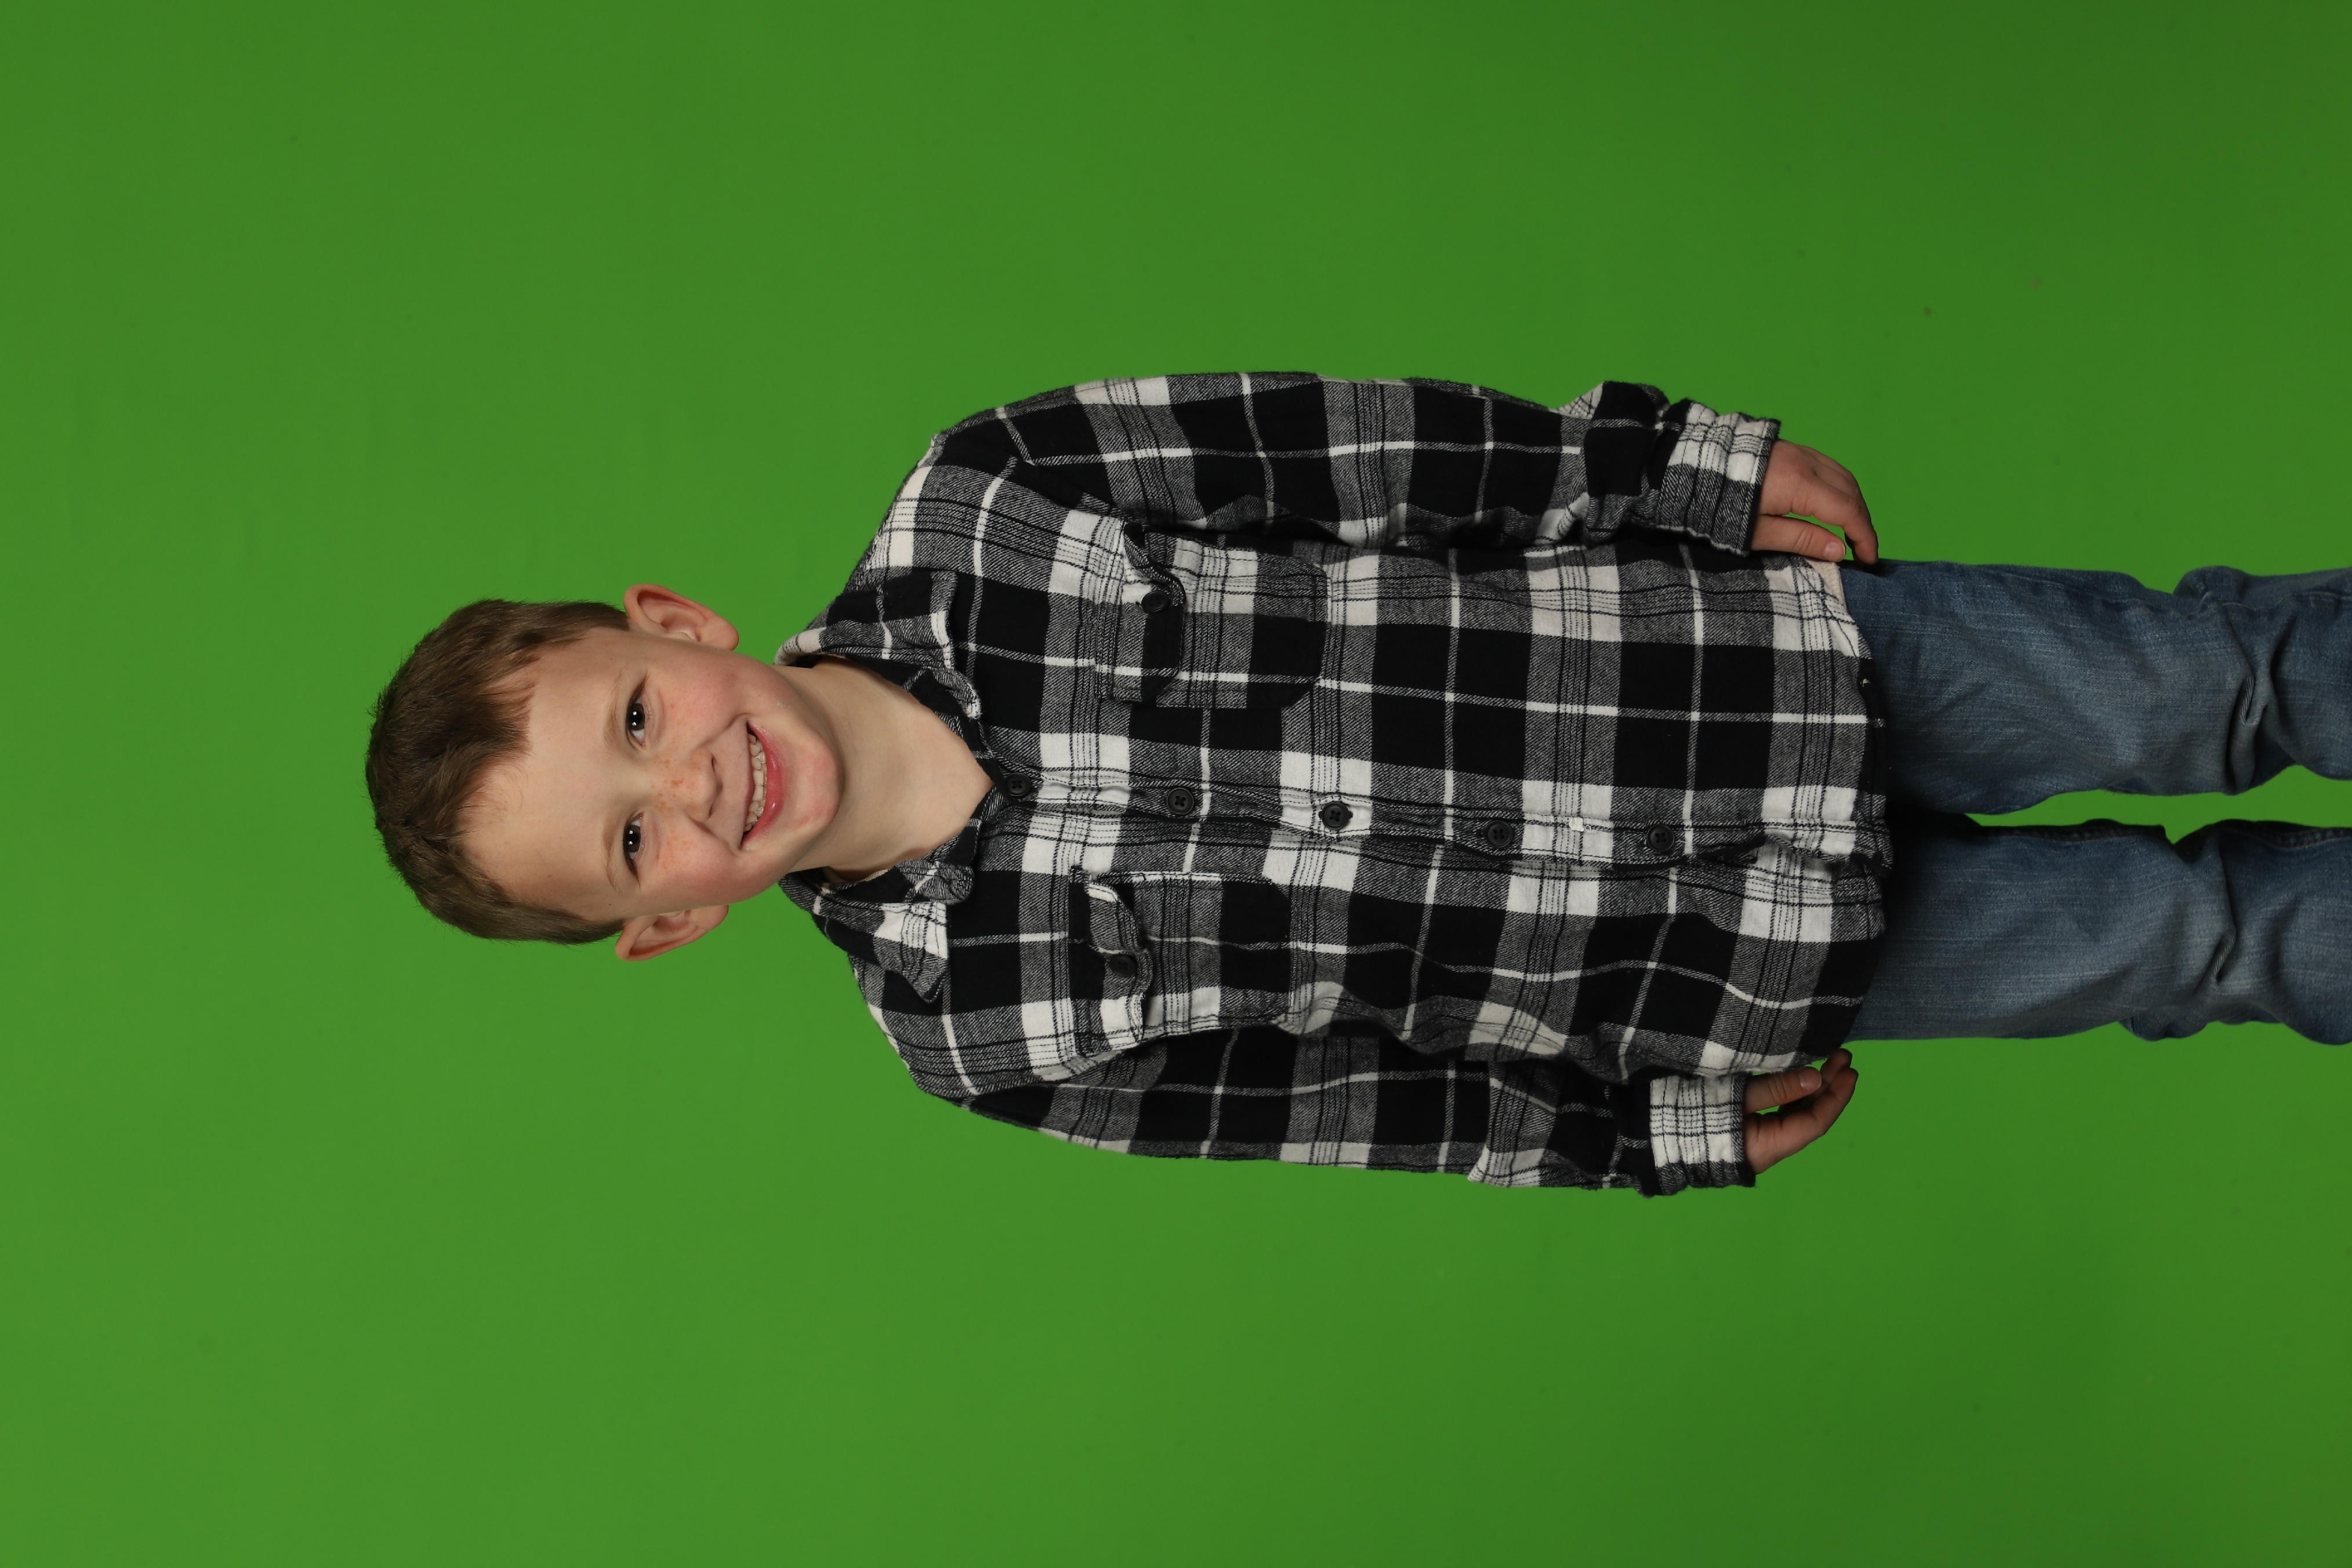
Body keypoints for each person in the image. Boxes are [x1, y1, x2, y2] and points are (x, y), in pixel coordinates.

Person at [365, 373, 2352, 1194]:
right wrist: (1643, 1137)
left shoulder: (988, 496)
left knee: (2224, 678)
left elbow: (1362, 457)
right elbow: (1356, 1104)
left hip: (1765, 664)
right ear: (668, 924)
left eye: (638, 717)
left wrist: (1669, 463)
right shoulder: (977, 1039)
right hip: (1729, 966)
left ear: (672, 622)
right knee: (2205, 944)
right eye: (634, 841)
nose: (696, 785)